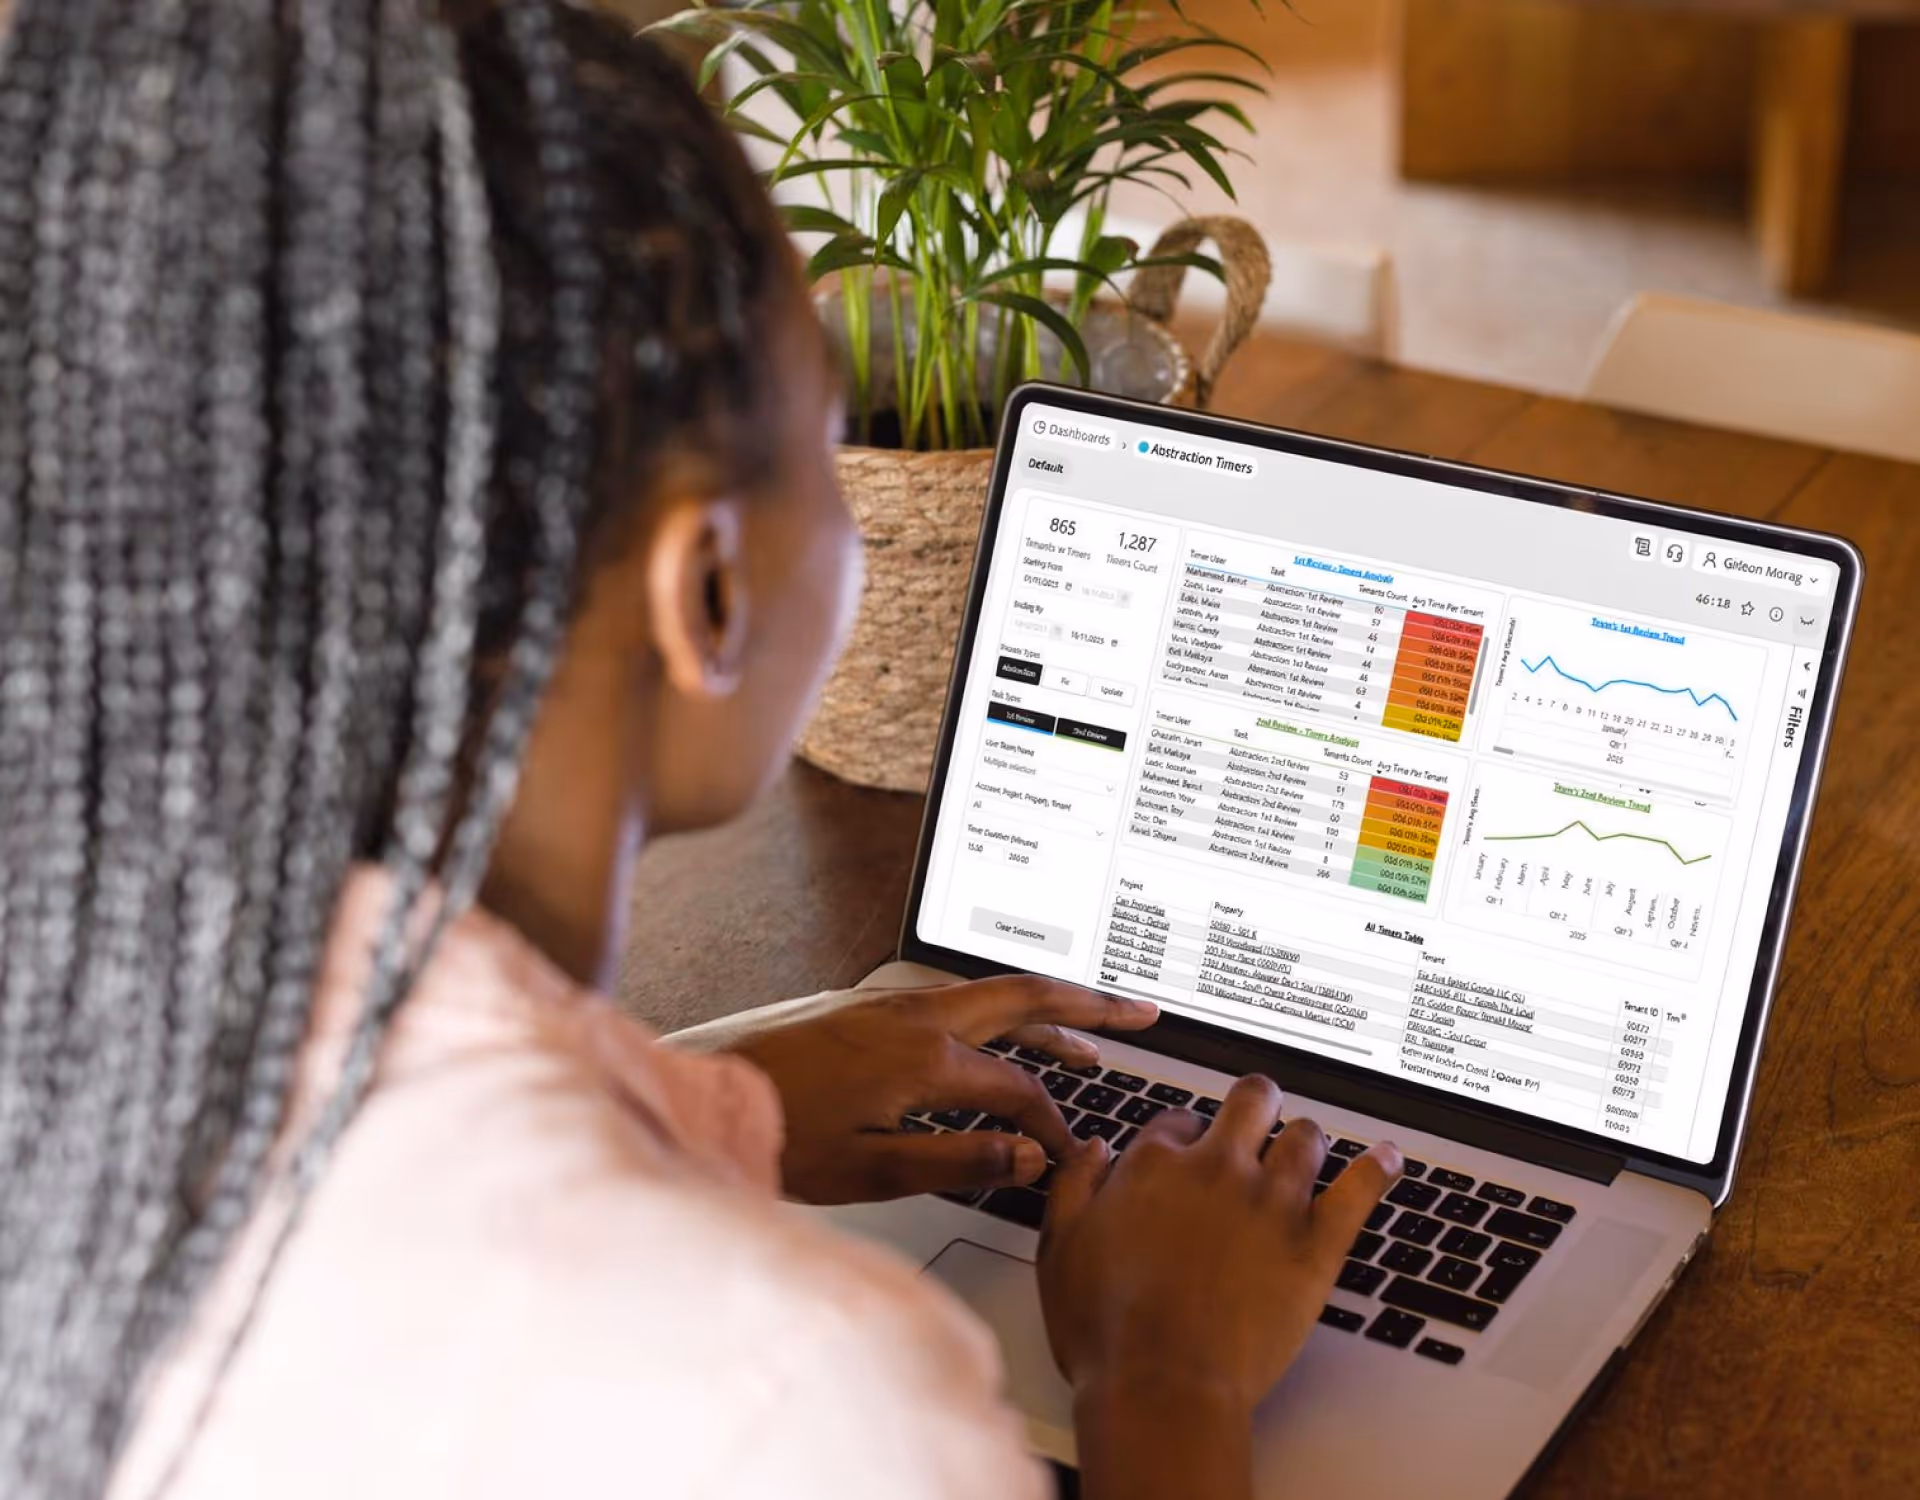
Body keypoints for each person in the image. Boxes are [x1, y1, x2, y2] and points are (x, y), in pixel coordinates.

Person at [0, 3, 1403, 1499]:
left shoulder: (82, 1045)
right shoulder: (801, 1403)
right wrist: (1166, 1380)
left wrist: (702, 1104)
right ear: (709, 592)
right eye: (823, 452)